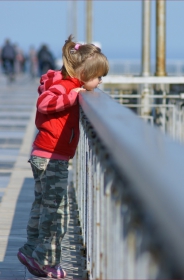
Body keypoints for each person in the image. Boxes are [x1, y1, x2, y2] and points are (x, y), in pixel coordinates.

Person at [17, 35, 109, 278]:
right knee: (56, 211)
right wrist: (73, 96)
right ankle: (44, 261)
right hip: (51, 156)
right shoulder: (66, 87)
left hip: (44, 153)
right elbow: (44, 102)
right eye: (98, 77)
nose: (100, 82)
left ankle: (31, 250)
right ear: (83, 74)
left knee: (42, 206)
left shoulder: (65, 83)